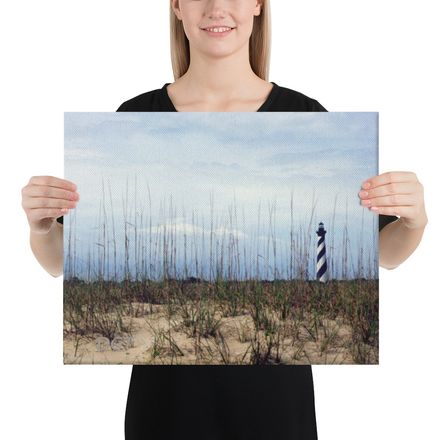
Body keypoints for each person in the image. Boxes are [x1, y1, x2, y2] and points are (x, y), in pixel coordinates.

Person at [21, 0, 428, 439]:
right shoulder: (134, 114)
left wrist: (414, 221)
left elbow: (384, 254)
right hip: (165, 410)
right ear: (177, 7)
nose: (218, 7)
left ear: (257, 6)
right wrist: (40, 226)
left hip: (276, 411)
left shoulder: (305, 113)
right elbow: (60, 263)